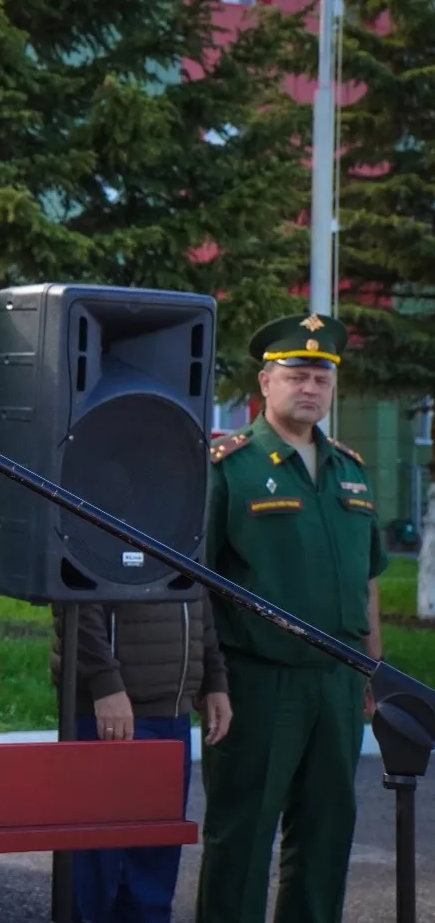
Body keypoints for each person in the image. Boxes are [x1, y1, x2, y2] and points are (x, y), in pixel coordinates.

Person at [195, 312, 386, 923]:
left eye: (321, 379)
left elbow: (368, 578)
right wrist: (210, 679)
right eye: (296, 375)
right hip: (257, 682)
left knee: (327, 833)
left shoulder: (349, 470)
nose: (310, 388)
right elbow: (195, 583)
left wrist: (373, 668)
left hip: (338, 681)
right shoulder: (229, 465)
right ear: (265, 382)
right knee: (243, 835)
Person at [49, 583, 233, 922]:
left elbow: (199, 596)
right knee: (92, 866)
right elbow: (74, 598)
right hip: (107, 710)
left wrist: (214, 678)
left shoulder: (188, 542)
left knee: (153, 867)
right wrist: (105, 682)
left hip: (172, 714)